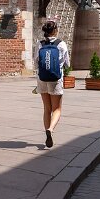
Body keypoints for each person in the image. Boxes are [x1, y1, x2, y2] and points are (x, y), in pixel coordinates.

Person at [36, 20, 70, 148]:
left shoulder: (39, 44)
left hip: (42, 78)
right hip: (56, 79)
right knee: (57, 109)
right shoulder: (61, 44)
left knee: (47, 108)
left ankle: (47, 133)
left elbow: (36, 61)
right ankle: (50, 129)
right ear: (55, 30)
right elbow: (67, 63)